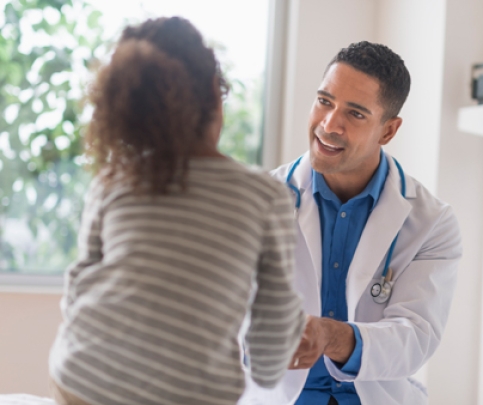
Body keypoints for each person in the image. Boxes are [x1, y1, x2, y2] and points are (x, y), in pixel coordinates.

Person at [48, 17, 306, 405]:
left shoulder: (114, 181)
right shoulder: (264, 195)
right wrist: (268, 371)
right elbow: (276, 320)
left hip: (84, 376)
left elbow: (79, 284)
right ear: (215, 97)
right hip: (189, 393)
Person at [239, 41, 462, 405]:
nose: (329, 125)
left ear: (388, 131)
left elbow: (416, 337)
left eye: (355, 114)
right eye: (325, 101)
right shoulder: (257, 201)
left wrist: (331, 336)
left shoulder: (432, 222)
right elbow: (227, 320)